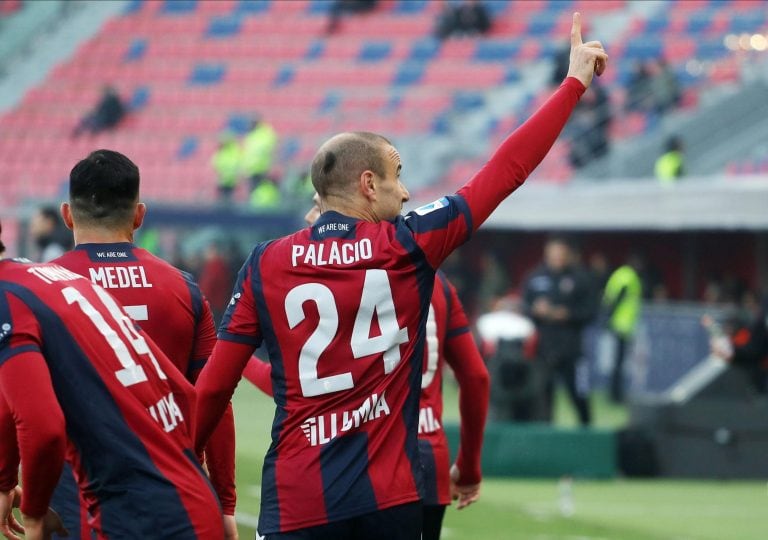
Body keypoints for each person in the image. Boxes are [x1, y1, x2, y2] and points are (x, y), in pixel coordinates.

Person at [194, 13, 606, 539]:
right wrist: (573, 84)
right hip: (389, 501)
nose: (406, 192)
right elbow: (506, 171)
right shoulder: (408, 247)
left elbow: (213, 389)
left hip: (298, 497)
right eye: (398, 175)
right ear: (368, 184)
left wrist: (180, 464)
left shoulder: (265, 262)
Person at [243, 195, 490, 540]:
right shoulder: (437, 283)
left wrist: (242, 365)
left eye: (319, 205)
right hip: (427, 454)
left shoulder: (341, 283)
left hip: (367, 453)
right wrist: (469, 465)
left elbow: (296, 385)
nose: (310, 215)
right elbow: (475, 376)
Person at [50, 150, 237, 539]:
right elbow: (214, 398)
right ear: (139, 215)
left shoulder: (41, 289)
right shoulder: (184, 288)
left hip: (75, 495)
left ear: (68, 215)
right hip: (169, 494)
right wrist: (225, 502)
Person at [0, 221, 225, 540]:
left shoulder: (8, 299)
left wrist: (35, 513)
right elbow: (12, 399)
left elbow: (43, 430)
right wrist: (5, 480)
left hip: (142, 515)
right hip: (178, 497)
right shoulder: (50, 278)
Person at [522, 236, 596, 426]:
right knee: (543, 396)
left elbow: (591, 312)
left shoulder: (580, 278)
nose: (557, 257)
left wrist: (568, 314)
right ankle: (546, 436)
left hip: (571, 349)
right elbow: (524, 307)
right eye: (554, 253)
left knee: (579, 394)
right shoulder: (535, 277)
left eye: (561, 253)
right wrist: (535, 310)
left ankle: (587, 432)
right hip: (543, 349)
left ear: (568, 254)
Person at [602, 254, 643, 403]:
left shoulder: (620, 274)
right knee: (618, 363)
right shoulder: (628, 276)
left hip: (620, 325)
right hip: (621, 326)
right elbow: (618, 299)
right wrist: (609, 318)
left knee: (618, 362)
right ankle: (615, 396)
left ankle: (615, 394)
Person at [212, 131, 243, 204]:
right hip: (224, 181)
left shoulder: (234, 152)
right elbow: (215, 166)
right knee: (224, 201)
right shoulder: (221, 152)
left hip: (230, 181)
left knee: (228, 201)